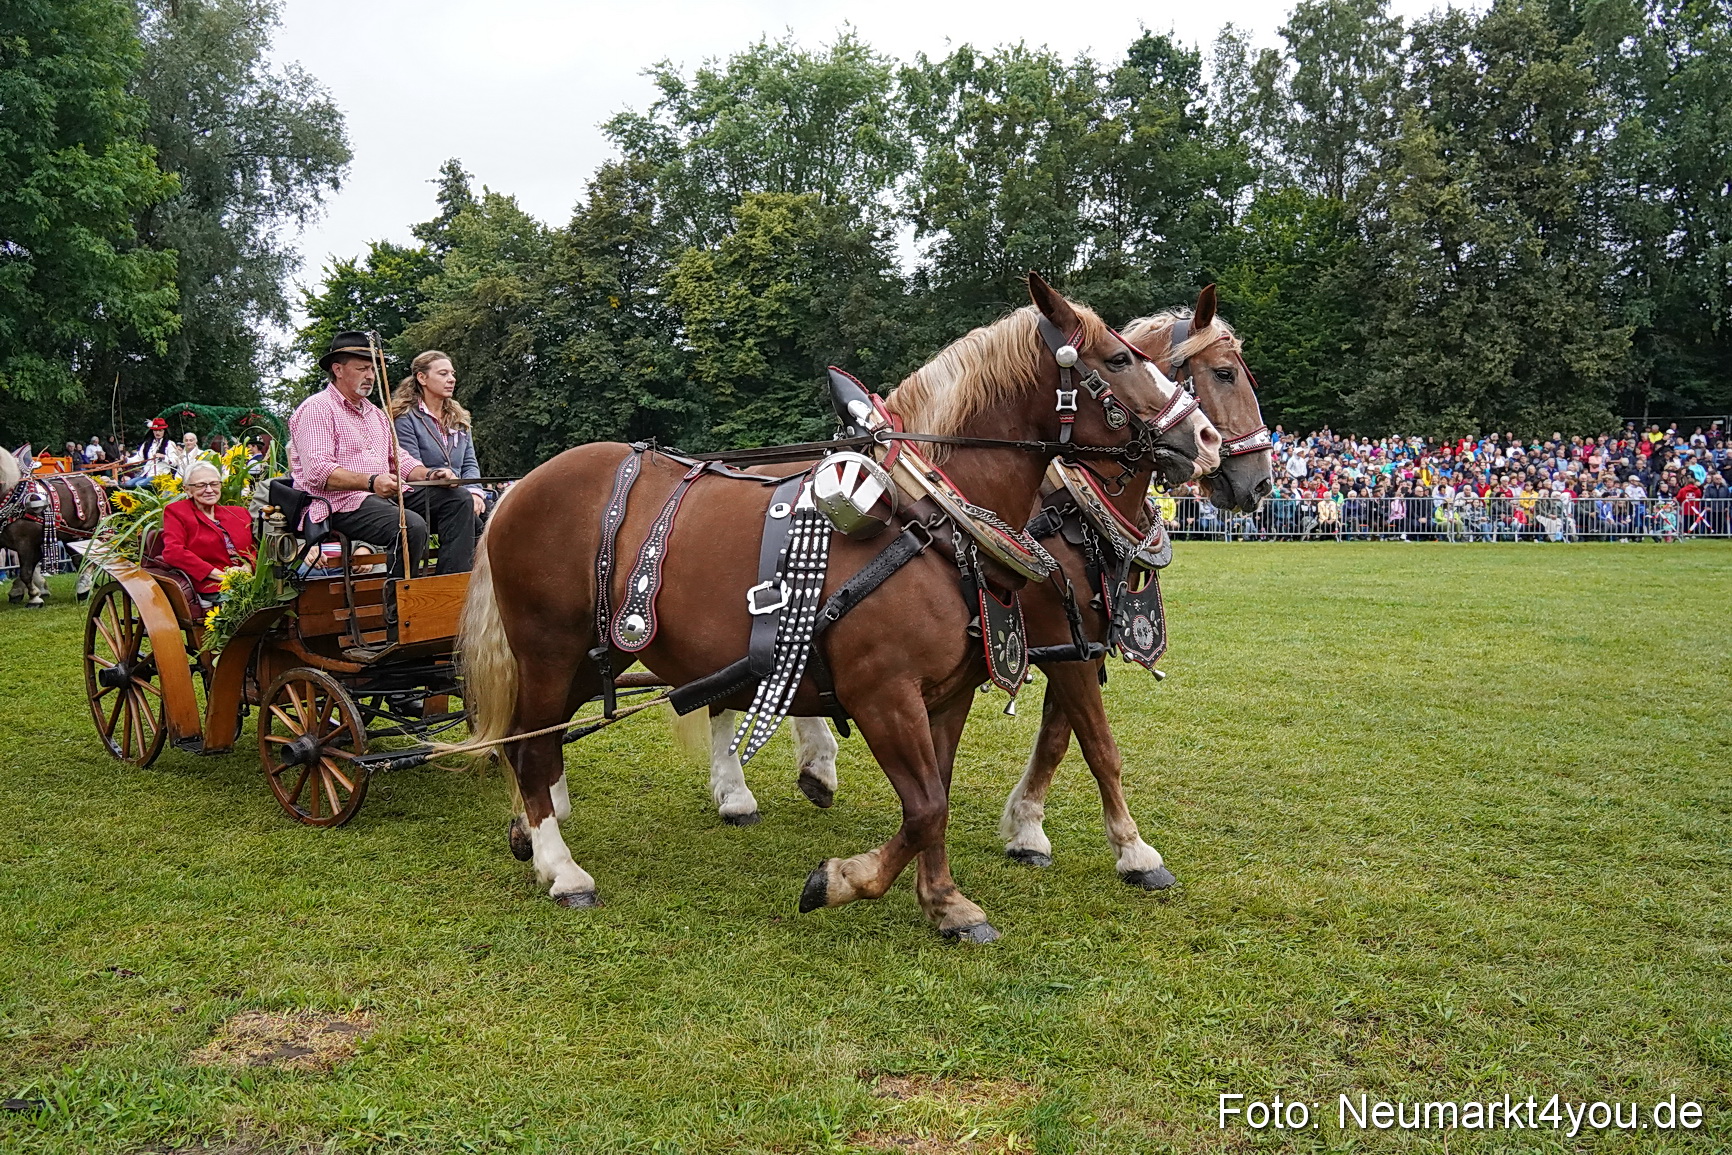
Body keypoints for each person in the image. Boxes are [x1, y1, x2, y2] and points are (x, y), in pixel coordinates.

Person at [288, 330, 459, 578]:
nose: (370, 376)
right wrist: (370, 482)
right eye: (362, 369)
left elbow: (399, 460)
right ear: (338, 370)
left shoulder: (376, 413)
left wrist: (432, 474)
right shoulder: (317, 409)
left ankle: (450, 587)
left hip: (382, 497)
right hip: (338, 504)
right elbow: (318, 471)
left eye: (373, 369)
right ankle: (398, 606)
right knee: (409, 526)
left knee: (458, 501)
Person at [387, 349, 481, 573]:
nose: (451, 379)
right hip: (419, 493)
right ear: (422, 378)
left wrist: (476, 491)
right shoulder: (404, 417)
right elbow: (411, 466)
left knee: (498, 517)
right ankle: (449, 586)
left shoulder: (459, 419)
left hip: (459, 495)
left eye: (452, 374)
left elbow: (469, 463)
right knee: (462, 505)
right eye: (443, 374)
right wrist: (461, 491)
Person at [160, 460, 256, 605]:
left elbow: (257, 545)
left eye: (214, 484)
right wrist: (220, 575)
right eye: (201, 485)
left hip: (250, 578)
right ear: (187, 490)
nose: (209, 490)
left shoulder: (240, 513)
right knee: (247, 604)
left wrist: (247, 567)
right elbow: (173, 551)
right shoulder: (177, 512)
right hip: (212, 584)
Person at [124, 419, 175, 488]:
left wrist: (163, 457)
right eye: (155, 430)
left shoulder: (170, 444)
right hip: (146, 474)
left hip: (160, 475)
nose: (158, 433)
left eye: (160, 430)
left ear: (164, 431)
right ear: (152, 431)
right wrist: (127, 460)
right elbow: (139, 458)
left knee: (139, 484)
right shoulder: (147, 443)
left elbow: (175, 461)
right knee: (128, 484)